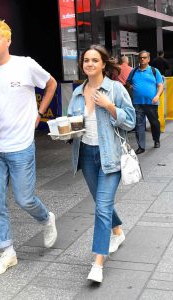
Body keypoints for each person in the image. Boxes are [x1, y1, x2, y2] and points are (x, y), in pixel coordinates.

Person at [0, 19, 58, 276]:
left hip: (21, 145)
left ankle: (46, 218)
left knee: (24, 198)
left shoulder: (25, 65)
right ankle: (7, 251)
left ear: (8, 41)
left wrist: (40, 113)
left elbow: (51, 83)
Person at [67, 45, 135, 283]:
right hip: (86, 155)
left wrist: (109, 106)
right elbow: (72, 123)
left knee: (101, 207)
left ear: (104, 64)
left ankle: (97, 262)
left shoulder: (115, 89)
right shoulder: (77, 93)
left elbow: (131, 122)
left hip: (110, 157)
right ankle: (117, 231)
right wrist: (65, 130)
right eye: (86, 60)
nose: (90, 64)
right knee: (101, 202)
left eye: (95, 60)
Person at [127, 50, 164, 154]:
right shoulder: (134, 71)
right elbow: (128, 82)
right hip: (137, 103)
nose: (142, 59)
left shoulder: (154, 71)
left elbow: (160, 85)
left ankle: (156, 140)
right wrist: (130, 86)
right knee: (139, 125)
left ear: (148, 59)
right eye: (140, 58)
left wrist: (157, 96)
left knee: (154, 123)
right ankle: (141, 146)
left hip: (151, 102)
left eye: (144, 57)